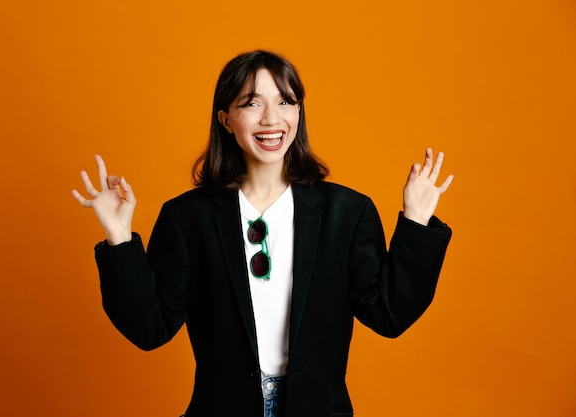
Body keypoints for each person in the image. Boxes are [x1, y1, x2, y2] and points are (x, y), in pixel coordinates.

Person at [72, 50, 453, 417]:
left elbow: (389, 314)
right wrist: (119, 236)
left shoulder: (347, 213)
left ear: (299, 112)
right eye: (252, 104)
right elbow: (149, 328)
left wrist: (416, 223)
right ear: (225, 119)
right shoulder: (188, 217)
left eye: (285, 102)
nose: (272, 119)